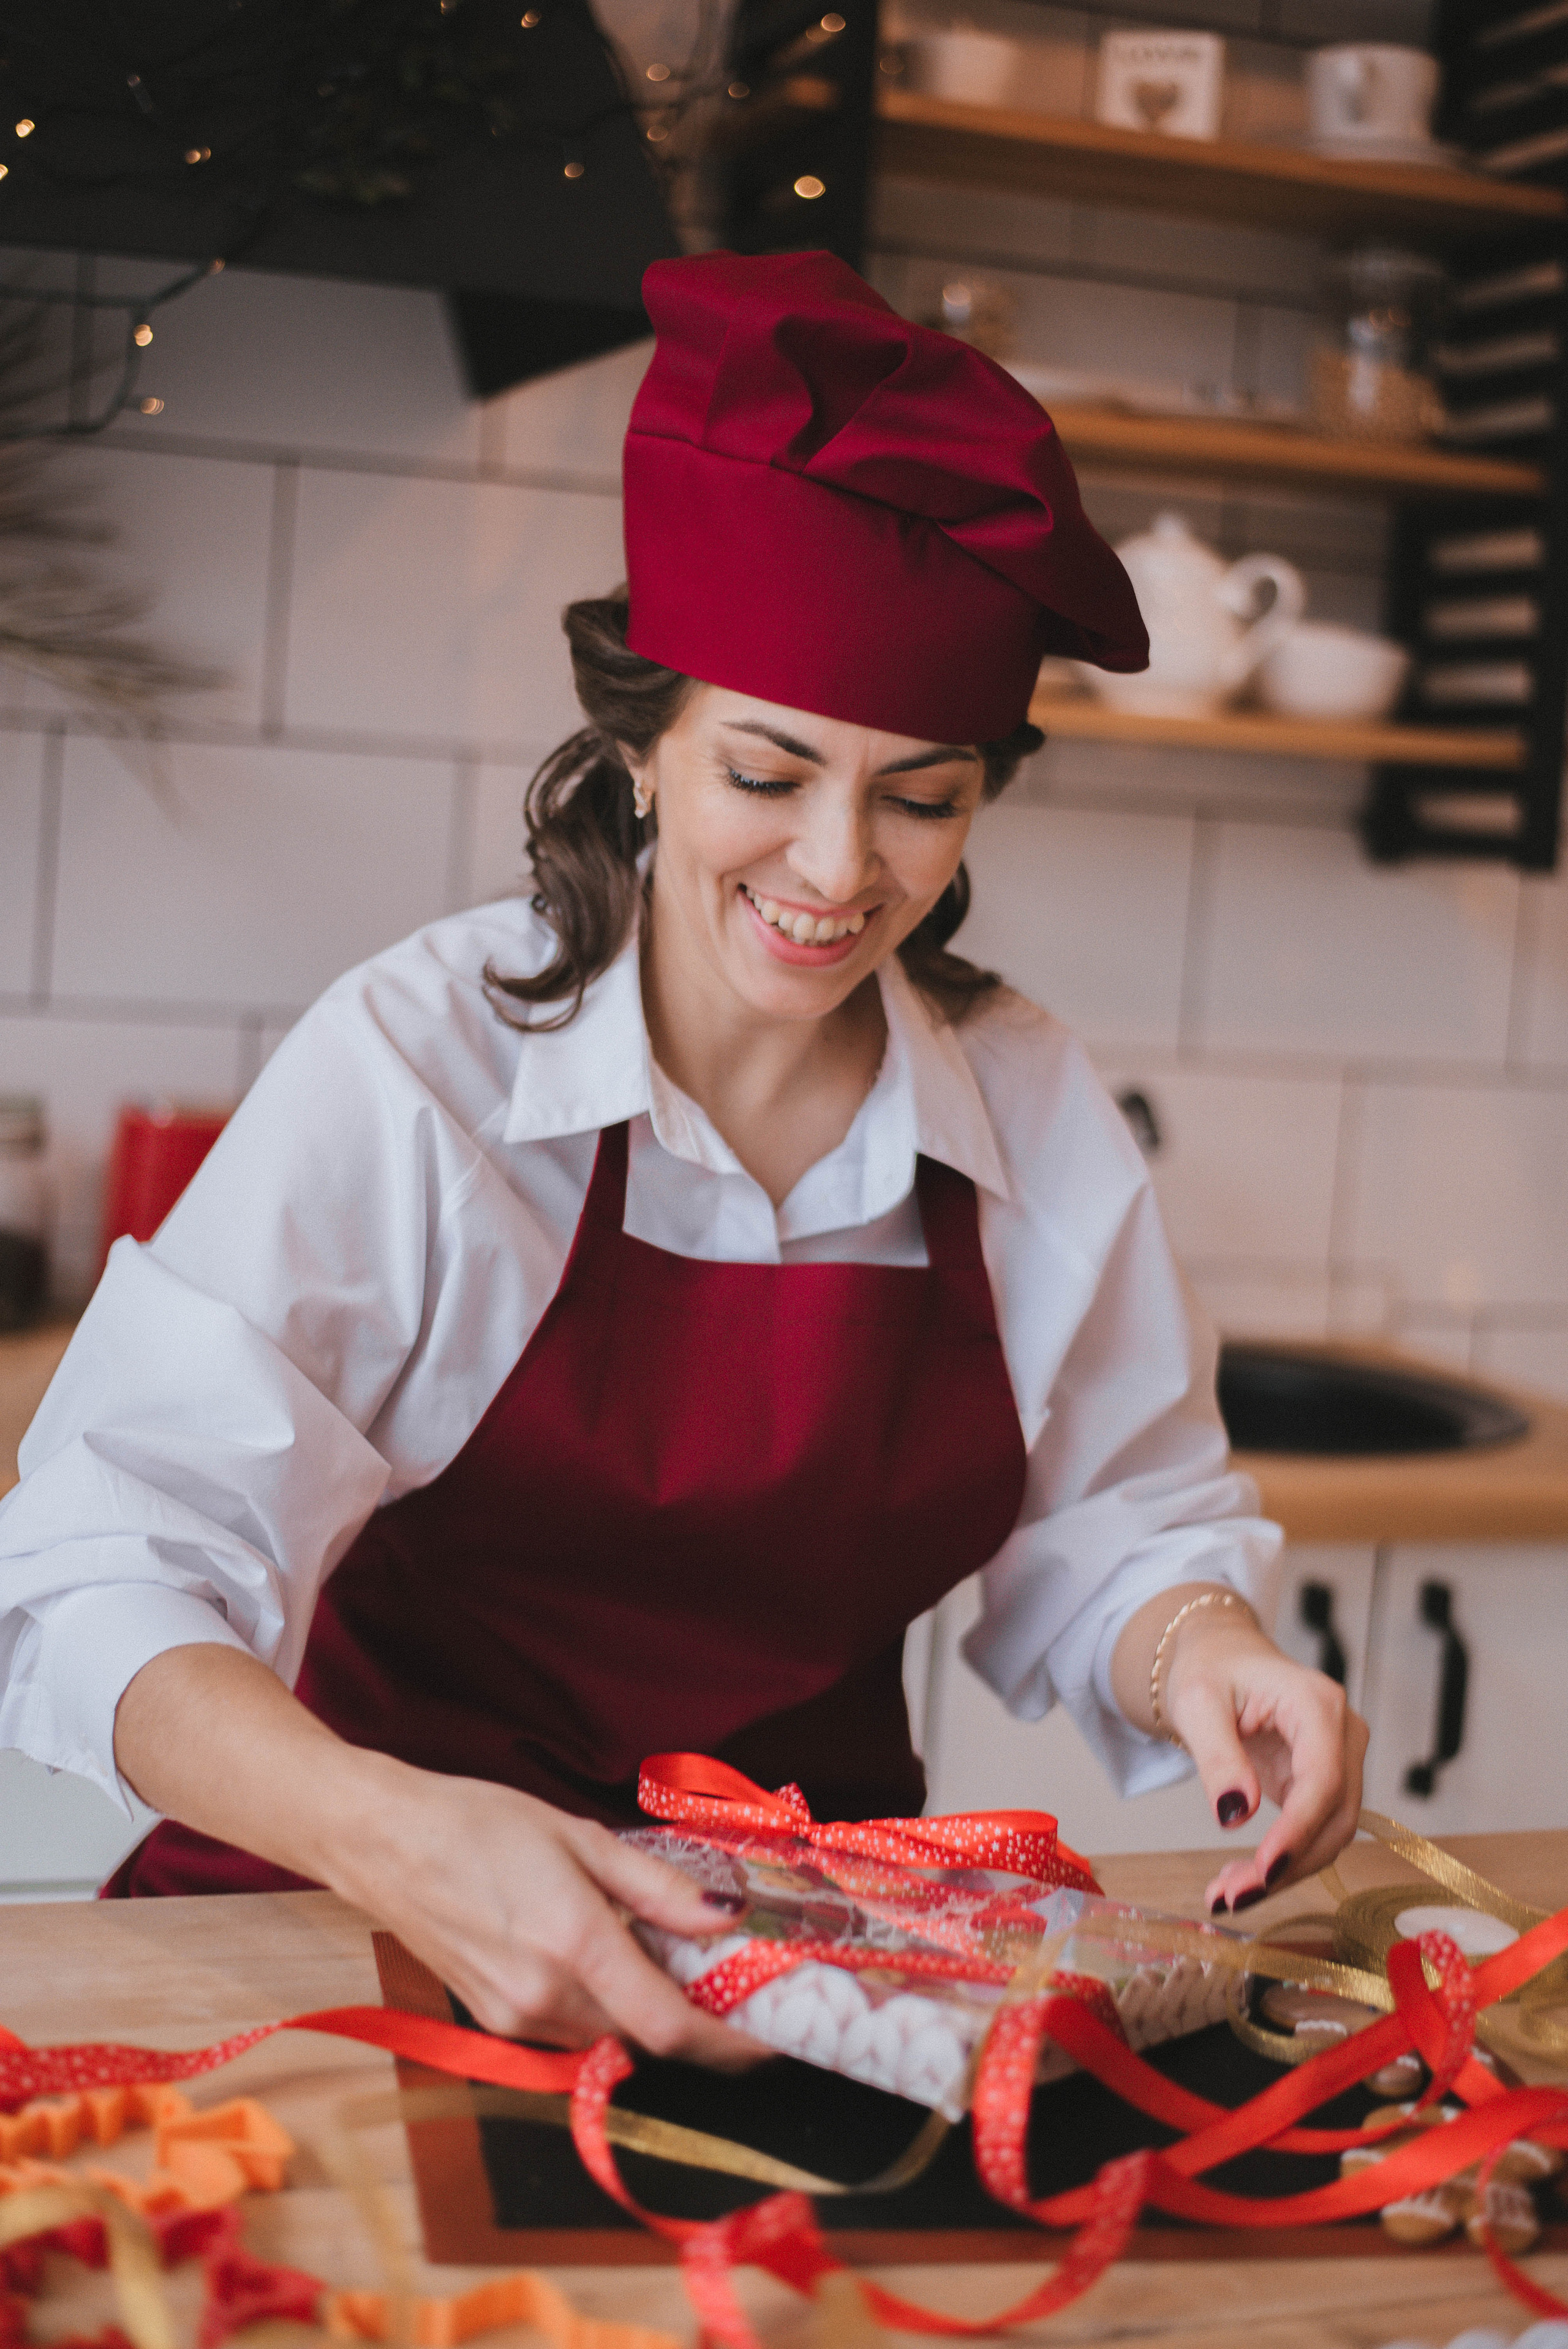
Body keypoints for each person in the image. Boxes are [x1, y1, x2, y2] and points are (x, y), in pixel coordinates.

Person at [0, 250, 1365, 2065]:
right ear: (642, 745)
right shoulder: (425, 1069)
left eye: (921, 796)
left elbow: (1116, 1528)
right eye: (770, 770)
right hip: (353, 1928)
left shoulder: (1029, 1108)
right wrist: (391, 1829)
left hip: (807, 1985)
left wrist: (1212, 1653)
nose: (835, 865)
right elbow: (104, 1564)